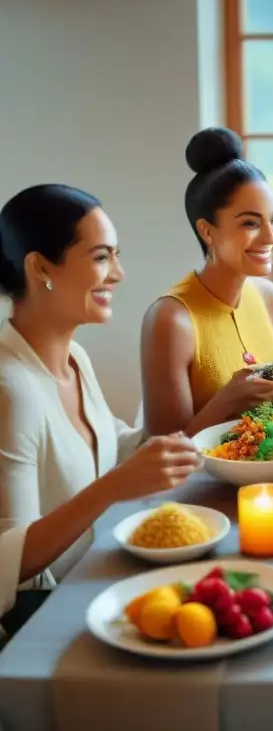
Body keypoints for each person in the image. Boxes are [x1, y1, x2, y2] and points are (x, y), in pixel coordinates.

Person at [0, 185, 201, 641]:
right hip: (39, 631)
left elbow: (117, 447)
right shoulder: (10, 390)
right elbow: (9, 562)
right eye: (101, 257)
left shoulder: (74, 359)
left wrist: (217, 407)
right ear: (40, 268)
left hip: (96, 592)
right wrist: (112, 489)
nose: (119, 274)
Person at [140, 127, 273, 437]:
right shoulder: (171, 320)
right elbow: (162, 453)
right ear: (207, 231)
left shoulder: (269, 298)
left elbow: (271, 406)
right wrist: (226, 400)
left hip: (271, 471)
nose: (270, 236)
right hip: (204, 483)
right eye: (251, 223)